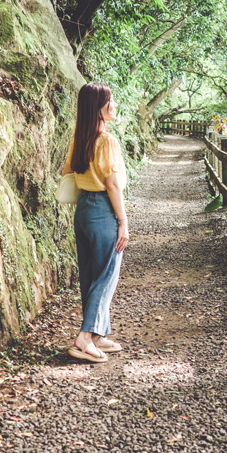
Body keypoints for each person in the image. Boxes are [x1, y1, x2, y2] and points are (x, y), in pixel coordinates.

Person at [62, 82, 129, 363]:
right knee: (106, 275)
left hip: (83, 212)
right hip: (103, 210)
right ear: (99, 108)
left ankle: (98, 334)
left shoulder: (79, 140)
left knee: (90, 275)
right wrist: (123, 221)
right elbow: (113, 185)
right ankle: (85, 338)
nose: (114, 105)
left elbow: (68, 173)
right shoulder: (107, 141)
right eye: (110, 101)